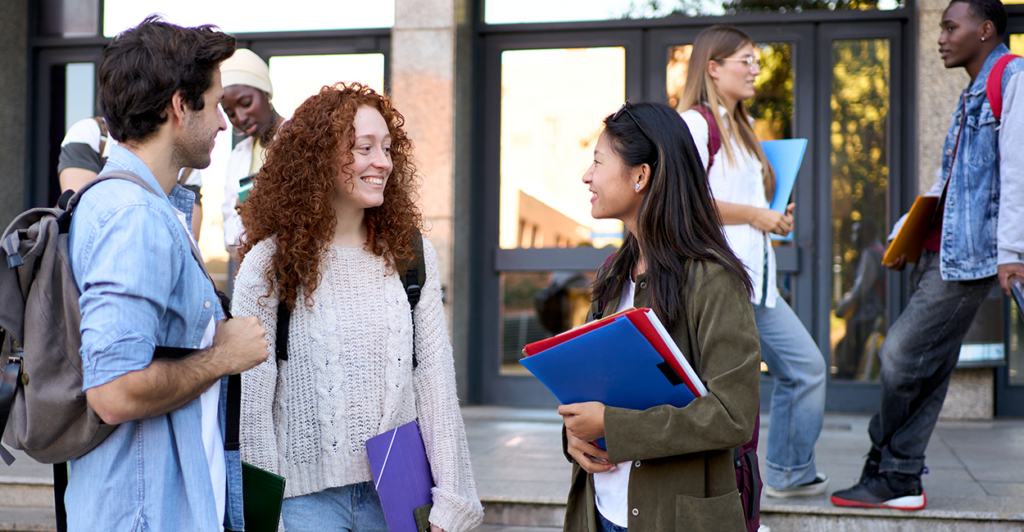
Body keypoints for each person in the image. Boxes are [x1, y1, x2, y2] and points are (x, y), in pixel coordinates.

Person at [234, 83, 484, 532]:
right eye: (364, 148)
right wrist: (264, 516)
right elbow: (252, 403)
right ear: (319, 158)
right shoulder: (268, 263)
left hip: (397, 499)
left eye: (387, 148)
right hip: (302, 505)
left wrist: (452, 499)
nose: (383, 162)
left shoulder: (412, 255)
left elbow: (434, 382)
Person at [66, 16, 269, 531]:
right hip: (145, 514)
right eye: (216, 104)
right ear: (181, 106)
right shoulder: (133, 216)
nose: (224, 124)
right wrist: (223, 355)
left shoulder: (142, 205)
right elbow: (114, 391)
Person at [831, 0, 1024, 510]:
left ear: (985, 30)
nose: (940, 36)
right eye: (938, 26)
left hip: (973, 258)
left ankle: (887, 464)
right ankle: (901, 476)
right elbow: (949, 179)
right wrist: (902, 235)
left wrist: (1012, 252)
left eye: (949, 26)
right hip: (942, 249)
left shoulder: (1013, 79)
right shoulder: (971, 93)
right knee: (930, 364)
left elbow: (1018, 170)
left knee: (897, 354)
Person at [560, 101, 761, 532]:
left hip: (674, 517)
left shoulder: (713, 280)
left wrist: (612, 425)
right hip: (601, 512)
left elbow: (733, 415)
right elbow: (599, 393)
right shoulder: (612, 274)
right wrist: (576, 437)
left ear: (640, 176)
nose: (586, 176)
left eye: (597, 162)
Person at [678, 25, 829, 499]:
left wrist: (772, 219)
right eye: (746, 61)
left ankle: (787, 471)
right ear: (713, 67)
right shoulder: (695, 124)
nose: (755, 71)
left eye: (757, 62)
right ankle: (742, 491)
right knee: (761, 383)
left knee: (802, 370)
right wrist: (756, 215)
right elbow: (685, 201)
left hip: (754, 282)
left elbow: (740, 206)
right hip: (720, 282)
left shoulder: (739, 126)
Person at [58, 116, 206, 239]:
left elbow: (187, 243)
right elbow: (84, 219)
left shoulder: (185, 164)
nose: (222, 123)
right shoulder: (92, 134)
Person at [219, 48, 283, 294]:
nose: (241, 117)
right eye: (230, 112)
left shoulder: (298, 141)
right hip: (251, 271)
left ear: (266, 92)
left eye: (246, 103)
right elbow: (230, 221)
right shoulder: (238, 157)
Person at [833, 219, 885, 380]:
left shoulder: (871, 253)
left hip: (869, 312)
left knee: (848, 349)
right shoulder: (879, 251)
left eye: (857, 233)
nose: (854, 237)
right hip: (874, 310)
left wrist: (842, 308)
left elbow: (861, 288)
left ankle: (846, 379)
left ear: (867, 233)